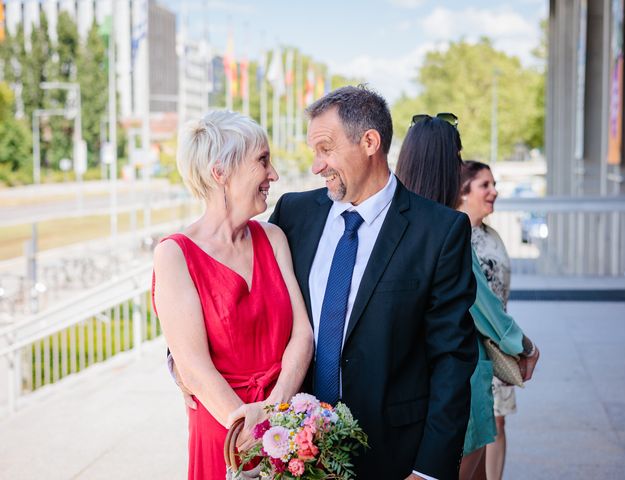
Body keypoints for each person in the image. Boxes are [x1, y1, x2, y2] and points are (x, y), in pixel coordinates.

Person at [269, 85, 478, 480]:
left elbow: (452, 359)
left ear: (370, 142)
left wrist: (429, 470)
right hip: (296, 456)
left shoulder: (439, 231)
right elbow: (244, 288)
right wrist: (187, 360)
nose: (317, 166)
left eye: (326, 149)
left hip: (394, 456)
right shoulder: (293, 215)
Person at [153, 110, 314, 480]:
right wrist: (247, 429)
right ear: (220, 172)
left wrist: (275, 412)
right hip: (225, 432)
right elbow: (192, 366)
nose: (273, 174)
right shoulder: (175, 255)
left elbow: (302, 334)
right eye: (262, 160)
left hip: (285, 426)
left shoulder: (273, 238)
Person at [395, 116, 539, 480]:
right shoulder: (448, 226)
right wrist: (523, 345)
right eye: (456, 156)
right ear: (447, 165)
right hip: (459, 380)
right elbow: (481, 302)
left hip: (404, 384)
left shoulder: (392, 223)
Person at [457, 160, 539, 480]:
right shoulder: (455, 234)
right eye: (485, 185)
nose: (494, 191)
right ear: (463, 192)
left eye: (494, 184)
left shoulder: (492, 235)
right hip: (479, 344)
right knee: (486, 423)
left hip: (499, 343)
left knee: (498, 421)